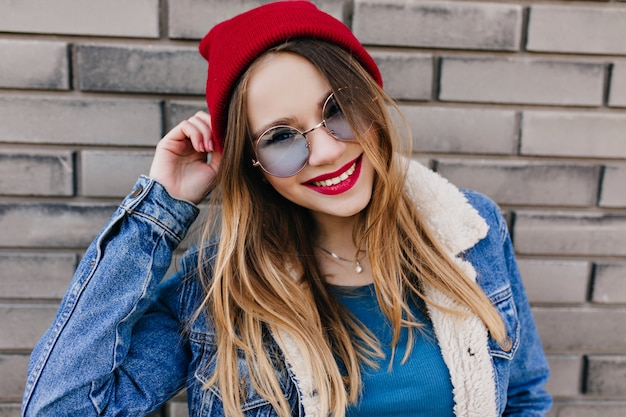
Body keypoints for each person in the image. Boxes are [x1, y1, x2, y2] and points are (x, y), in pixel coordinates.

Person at [21, 1, 552, 416]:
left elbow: (524, 398)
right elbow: (60, 408)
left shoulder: (469, 232)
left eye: (339, 109)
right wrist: (161, 210)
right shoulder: (218, 292)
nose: (325, 150)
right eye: (281, 137)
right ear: (249, 161)